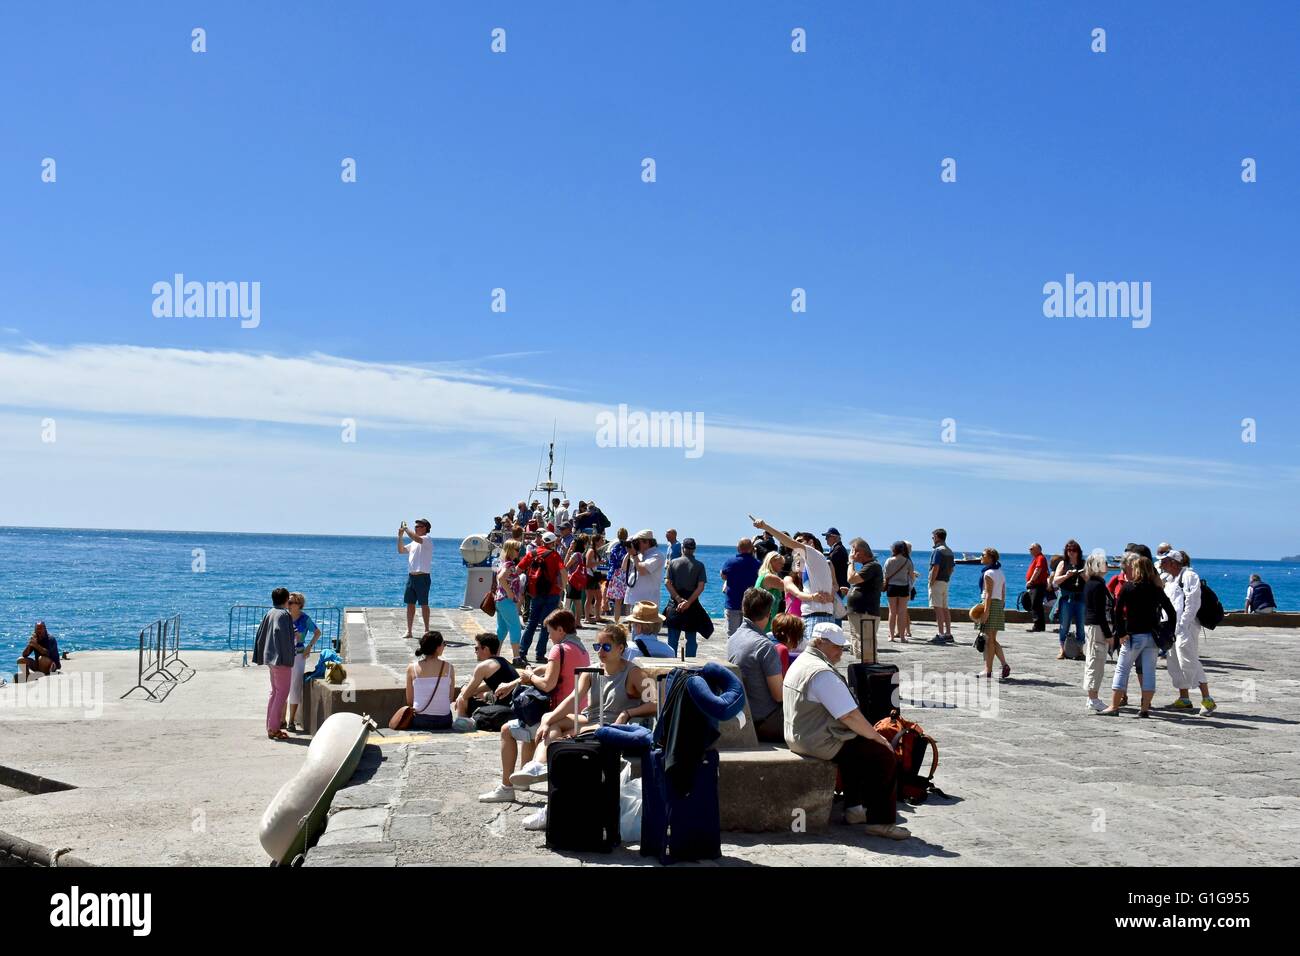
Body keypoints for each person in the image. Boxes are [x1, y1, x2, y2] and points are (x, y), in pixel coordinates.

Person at [783, 622, 909, 839]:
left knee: (854, 749)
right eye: (837, 647)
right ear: (820, 643)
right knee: (883, 754)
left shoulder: (803, 660)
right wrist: (878, 738)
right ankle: (881, 822)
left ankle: (854, 809)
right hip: (816, 740)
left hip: (799, 735)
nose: (841, 653)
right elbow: (849, 715)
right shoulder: (821, 673)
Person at [479, 609, 590, 803]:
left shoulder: (559, 649)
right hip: (576, 713)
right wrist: (514, 683)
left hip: (556, 714)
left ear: (561, 630)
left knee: (507, 730)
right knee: (525, 727)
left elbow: (547, 684)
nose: (549, 637)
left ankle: (506, 787)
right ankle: (523, 778)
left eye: (550, 632)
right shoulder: (581, 649)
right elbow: (545, 669)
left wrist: (530, 677)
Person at [1103, 555, 1176, 717]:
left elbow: (1117, 611)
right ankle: (1144, 709)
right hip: (1152, 636)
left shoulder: (1128, 587)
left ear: (1137, 570)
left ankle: (1114, 706)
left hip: (1133, 636)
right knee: (1149, 672)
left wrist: (1121, 633)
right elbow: (1171, 611)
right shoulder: (1156, 590)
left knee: (1122, 670)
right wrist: (1168, 630)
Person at [750, 517, 835, 645]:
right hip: (812, 617)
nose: (796, 545)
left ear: (811, 543)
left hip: (816, 617)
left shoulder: (814, 554)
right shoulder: (809, 566)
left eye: (800, 542)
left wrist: (765, 527)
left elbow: (789, 543)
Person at [1161, 550, 1216, 716]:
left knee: (1189, 660)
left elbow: (1192, 603)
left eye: (1164, 561)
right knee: (1174, 661)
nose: (1161, 564)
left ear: (1173, 563)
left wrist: (1183, 625)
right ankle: (1184, 698)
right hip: (1172, 627)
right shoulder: (1169, 579)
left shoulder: (1189, 576)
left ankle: (1207, 699)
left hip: (1186, 627)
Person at [726, 588, 785, 742]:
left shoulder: (733, 639)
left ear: (744, 608)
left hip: (745, 714)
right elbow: (779, 696)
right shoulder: (764, 646)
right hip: (766, 721)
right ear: (768, 614)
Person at [252, 588, 297, 741]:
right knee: (282, 693)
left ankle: (270, 725)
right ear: (286, 600)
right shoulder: (284, 615)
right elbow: (285, 639)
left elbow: (261, 635)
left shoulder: (270, 613)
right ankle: (274, 729)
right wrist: (289, 658)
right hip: (281, 660)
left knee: (275, 692)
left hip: (270, 658)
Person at [515, 531, 566, 663]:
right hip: (552, 593)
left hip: (535, 594)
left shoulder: (532, 554)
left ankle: (522, 652)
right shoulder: (555, 555)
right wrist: (563, 587)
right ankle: (539, 654)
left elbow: (518, 569)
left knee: (531, 623)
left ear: (542, 541)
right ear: (553, 543)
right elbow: (563, 572)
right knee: (546, 624)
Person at [454, 633, 519, 718]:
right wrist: (476, 691)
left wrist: (463, 687)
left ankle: (462, 723)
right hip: (515, 707)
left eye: (477, 648)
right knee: (479, 693)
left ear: (486, 649)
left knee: (462, 700)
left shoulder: (484, 666)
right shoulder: (503, 661)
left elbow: (466, 694)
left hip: (505, 712)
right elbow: (491, 685)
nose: (475, 652)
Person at [664, 537, 709, 657]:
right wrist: (688, 603)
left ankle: (670, 665)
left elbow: (667, 582)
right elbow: (700, 587)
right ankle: (691, 667)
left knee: (672, 640)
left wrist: (678, 599)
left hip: (675, 604)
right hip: (692, 605)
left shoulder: (673, 562)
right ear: (694, 549)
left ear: (683, 548)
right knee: (691, 639)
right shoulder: (699, 565)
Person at [1082, 548, 1114, 713]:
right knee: (1096, 661)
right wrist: (1108, 634)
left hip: (1092, 626)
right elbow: (1100, 613)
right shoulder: (1097, 586)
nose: (1107, 565)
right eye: (1104, 563)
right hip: (1097, 627)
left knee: (1094, 660)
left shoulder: (1093, 584)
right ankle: (1093, 698)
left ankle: (1092, 697)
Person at [404, 631, 456, 731]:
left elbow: (410, 701)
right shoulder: (449, 668)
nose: (444, 646)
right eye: (443, 644)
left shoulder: (412, 668)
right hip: (444, 720)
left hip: (420, 719)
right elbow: (450, 698)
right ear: (437, 647)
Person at [285, 592, 321, 733]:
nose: (288, 604)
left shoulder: (304, 619)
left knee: (295, 687)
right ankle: (281, 719)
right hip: (283, 656)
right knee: (282, 688)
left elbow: (317, 632)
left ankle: (291, 721)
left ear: (299, 604)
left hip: (298, 656)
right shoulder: (284, 617)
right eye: (288, 602)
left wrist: (309, 647)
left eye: (291, 602)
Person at [843, 538, 884, 662]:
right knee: (859, 645)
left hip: (865, 613)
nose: (852, 554)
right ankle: (863, 671)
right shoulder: (867, 567)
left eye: (853, 551)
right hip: (858, 612)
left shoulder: (872, 566)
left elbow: (851, 579)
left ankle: (870, 672)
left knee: (866, 646)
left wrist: (850, 562)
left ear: (860, 552)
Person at [975, 548, 1010, 681]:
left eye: (983, 555)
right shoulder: (1000, 572)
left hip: (989, 604)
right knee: (992, 639)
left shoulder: (988, 573)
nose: (981, 557)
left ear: (990, 558)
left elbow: (988, 594)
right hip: (998, 604)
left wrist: (986, 611)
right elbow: (1003, 591)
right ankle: (1004, 664)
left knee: (988, 640)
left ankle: (988, 670)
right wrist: (1001, 605)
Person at [397, 518, 433, 640]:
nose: (416, 528)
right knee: (410, 604)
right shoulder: (413, 543)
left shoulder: (426, 540)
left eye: (419, 526)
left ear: (426, 528)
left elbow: (416, 538)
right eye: (416, 526)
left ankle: (427, 630)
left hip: (423, 577)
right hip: (411, 577)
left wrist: (406, 528)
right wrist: (400, 536)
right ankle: (409, 631)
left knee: (424, 604)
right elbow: (401, 550)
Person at [1051, 540, 1087, 659]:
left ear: (1078, 551)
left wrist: (1082, 575)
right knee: (1064, 625)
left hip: (1081, 598)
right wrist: (1067, 576)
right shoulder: (1063, 563)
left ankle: (1080, 650)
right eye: (1069, 550)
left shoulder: (1083, 563)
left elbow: (1090, 580)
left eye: (1074, 550)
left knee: (1081, 626)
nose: (1071, 552)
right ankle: (1062, 649)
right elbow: (1055, 581)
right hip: (1067, 598)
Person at [720, 538, 761, 635]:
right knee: (748, 635)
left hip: (733, 603)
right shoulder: (757, 563)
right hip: (750, 604)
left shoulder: (731, 562)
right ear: (751, 548)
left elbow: (723, 576)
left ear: (738, 548)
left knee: (732, 635)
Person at [494, 539, 523, 659]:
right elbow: (501, 578)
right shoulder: (509, 564)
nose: (518, 552)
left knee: (502, 629)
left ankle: (496, 654)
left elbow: (498, 577)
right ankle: (516, 657)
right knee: (515, 627)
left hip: (500, 600)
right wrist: (510, 592)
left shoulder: (502, 563)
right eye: (517, 550)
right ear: (511, 550)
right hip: (507, 600)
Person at [623, 530, 665, 613]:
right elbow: (624, 567)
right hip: (633, 600)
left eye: (637, 542)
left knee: (645, 626)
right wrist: (629, 552)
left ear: (647, 542)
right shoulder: (639, 555)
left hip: (647, 603)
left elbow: (642, 571)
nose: (636, 545)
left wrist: (634, 555)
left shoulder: (656, 555)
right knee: (632, 626)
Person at [883, 541, 914, 643]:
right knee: (902, 612)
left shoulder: (889, 561)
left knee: (892, 612)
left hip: (892, 587)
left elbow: (885, 575)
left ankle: (891, 636)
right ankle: (902, 637)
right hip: (903, 587)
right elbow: (911, 576)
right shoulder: (907, 561)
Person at [927, 528, 955, 644]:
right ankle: (948, 633)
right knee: (945, 608)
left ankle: (941, 634)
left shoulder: (938, 551)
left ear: (938, 537)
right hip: (946, 581)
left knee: (938, 608)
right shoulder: (950, 551)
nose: (932, 539)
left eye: (933, 537)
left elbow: (935, 567)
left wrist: (931, 582)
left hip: (937, 581)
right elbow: (952, 568)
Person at [605, 528, 631, 619]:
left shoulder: (615, 548)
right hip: (627, 573)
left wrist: (609, 577)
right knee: (628, 600)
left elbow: (611, 563)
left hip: (616, 574)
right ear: (627, 536)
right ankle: (629, 622)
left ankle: (616, 621)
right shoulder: (628, 548)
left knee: (617, 601)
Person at [1025, 543, 1049, 631]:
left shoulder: (1040, 558)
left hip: (1037, 585)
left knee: (1035, 604)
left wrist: (1031, 581)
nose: (1029, 550)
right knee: (1037, 605)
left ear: (1038, 549)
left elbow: (1038, 569)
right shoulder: (1037, 558)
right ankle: (1040, 626)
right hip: (1036, 585)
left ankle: (1037, 626)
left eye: (1031, 549)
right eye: (1029, 549)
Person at [824, 528, 849, 595]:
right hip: (840, 585)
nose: (825, 539)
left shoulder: (838, 549)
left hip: (839, 586)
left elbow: (829, 564)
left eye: (827, 537)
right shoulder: (838, 548)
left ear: (835, 537)